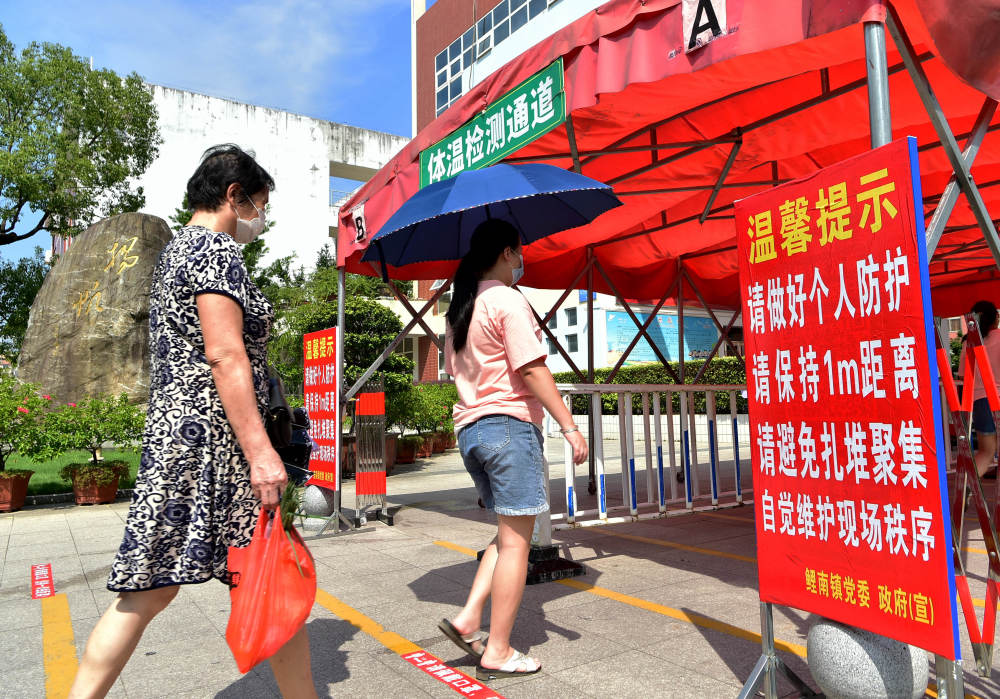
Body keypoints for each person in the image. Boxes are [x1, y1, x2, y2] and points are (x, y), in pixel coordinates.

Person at [69, 145, 317, 698]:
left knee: (158, 589)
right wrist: (261, 452)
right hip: (215, 442)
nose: (261, 216)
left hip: (179, 438)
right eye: (260, 203)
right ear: (234, 196)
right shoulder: (214, 250)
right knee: (265, 574)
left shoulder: (179, 251)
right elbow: (225, 354)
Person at [438, 219, 588, 681]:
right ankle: (498, 649)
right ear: (506, 252)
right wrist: (569, 426)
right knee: (517, 541)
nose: (522, 262)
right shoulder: (506, 300)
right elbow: (532, 368)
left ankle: (468, 619)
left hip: (471, 431)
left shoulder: (460, 308)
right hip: (509, 426)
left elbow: (454, 371)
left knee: (509, 531)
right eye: (520, 253)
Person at [959, 300, 1000, 479]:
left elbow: (962, 376)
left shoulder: (969, 343)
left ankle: (969, 484)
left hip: (979, 403)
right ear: (996, 318)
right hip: (998, 396)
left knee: (986, 452)